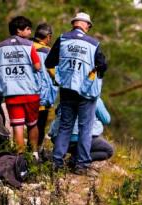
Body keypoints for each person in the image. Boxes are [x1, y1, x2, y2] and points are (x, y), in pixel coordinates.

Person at [45, 12, 107, 175]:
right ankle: (81, 166)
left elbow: (49, 62)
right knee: (85, 129)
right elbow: (102, 66)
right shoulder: (93, 44)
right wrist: (92, 73)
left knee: (65, 126)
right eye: (89, 25)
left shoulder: (63, 39)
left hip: (66, 91)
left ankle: (56, 163)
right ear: (85, 25)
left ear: (74, 23)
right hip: (85, 93)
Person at [0, 16, 42, 154]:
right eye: (27, 29)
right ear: (19, 30)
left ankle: (19, 159)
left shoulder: (0, 47)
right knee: (32, 124)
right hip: (30, 92)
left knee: (17, 126)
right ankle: (34, 155)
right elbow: (38, 66)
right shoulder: (29, 45)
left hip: (11, 93)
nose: (30, 32)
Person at [48, 97, 114, 165]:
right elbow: (106, 119)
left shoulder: (67, 93)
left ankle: (57, 158)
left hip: (58, 139)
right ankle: (75, 161)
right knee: (108, 150)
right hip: (79, 139)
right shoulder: (93, 97)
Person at [32, 23, 57, 152]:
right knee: (40, 125)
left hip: (27, 93)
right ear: (48, 37)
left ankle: (24, 152)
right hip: (43, 95)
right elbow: (54, 73)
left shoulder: (27, 47)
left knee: (29, 124)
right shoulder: (48, 52)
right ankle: (36, 152)